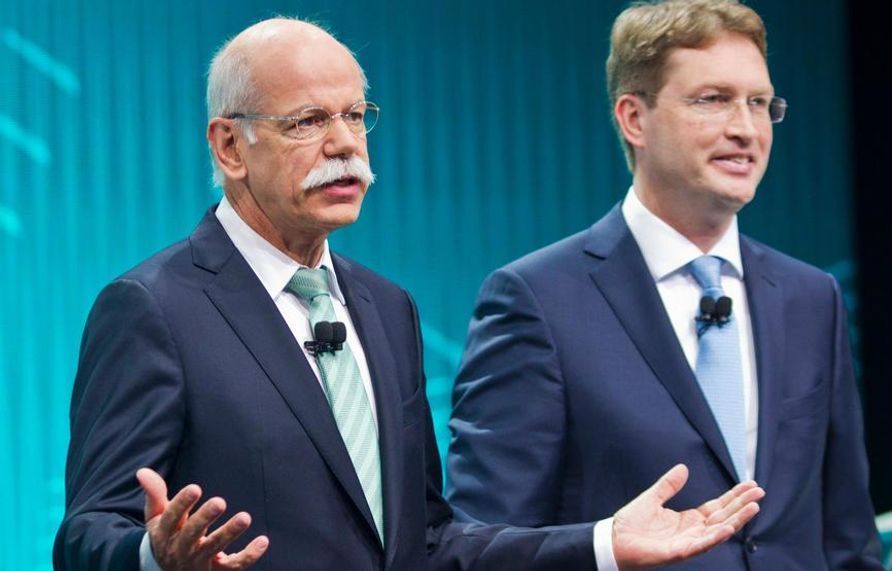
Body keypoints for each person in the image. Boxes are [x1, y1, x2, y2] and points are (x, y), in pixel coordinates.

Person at [53, 17, 764, 571]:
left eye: (356, 115)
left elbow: (430, 540)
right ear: (230, 147)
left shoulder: (385, 308)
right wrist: (153, 556)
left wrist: (604, 542)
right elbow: (87, 533)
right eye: (306, 122)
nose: (344, 144)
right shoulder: (153, 307)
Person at [445, 1, 882, 569]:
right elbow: (483, 544)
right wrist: (605, 547)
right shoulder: (537, 300)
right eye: (713, 100)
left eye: (758, 104)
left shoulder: (810, 297)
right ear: (634, 118)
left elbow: (847, 535)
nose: (745, 129)